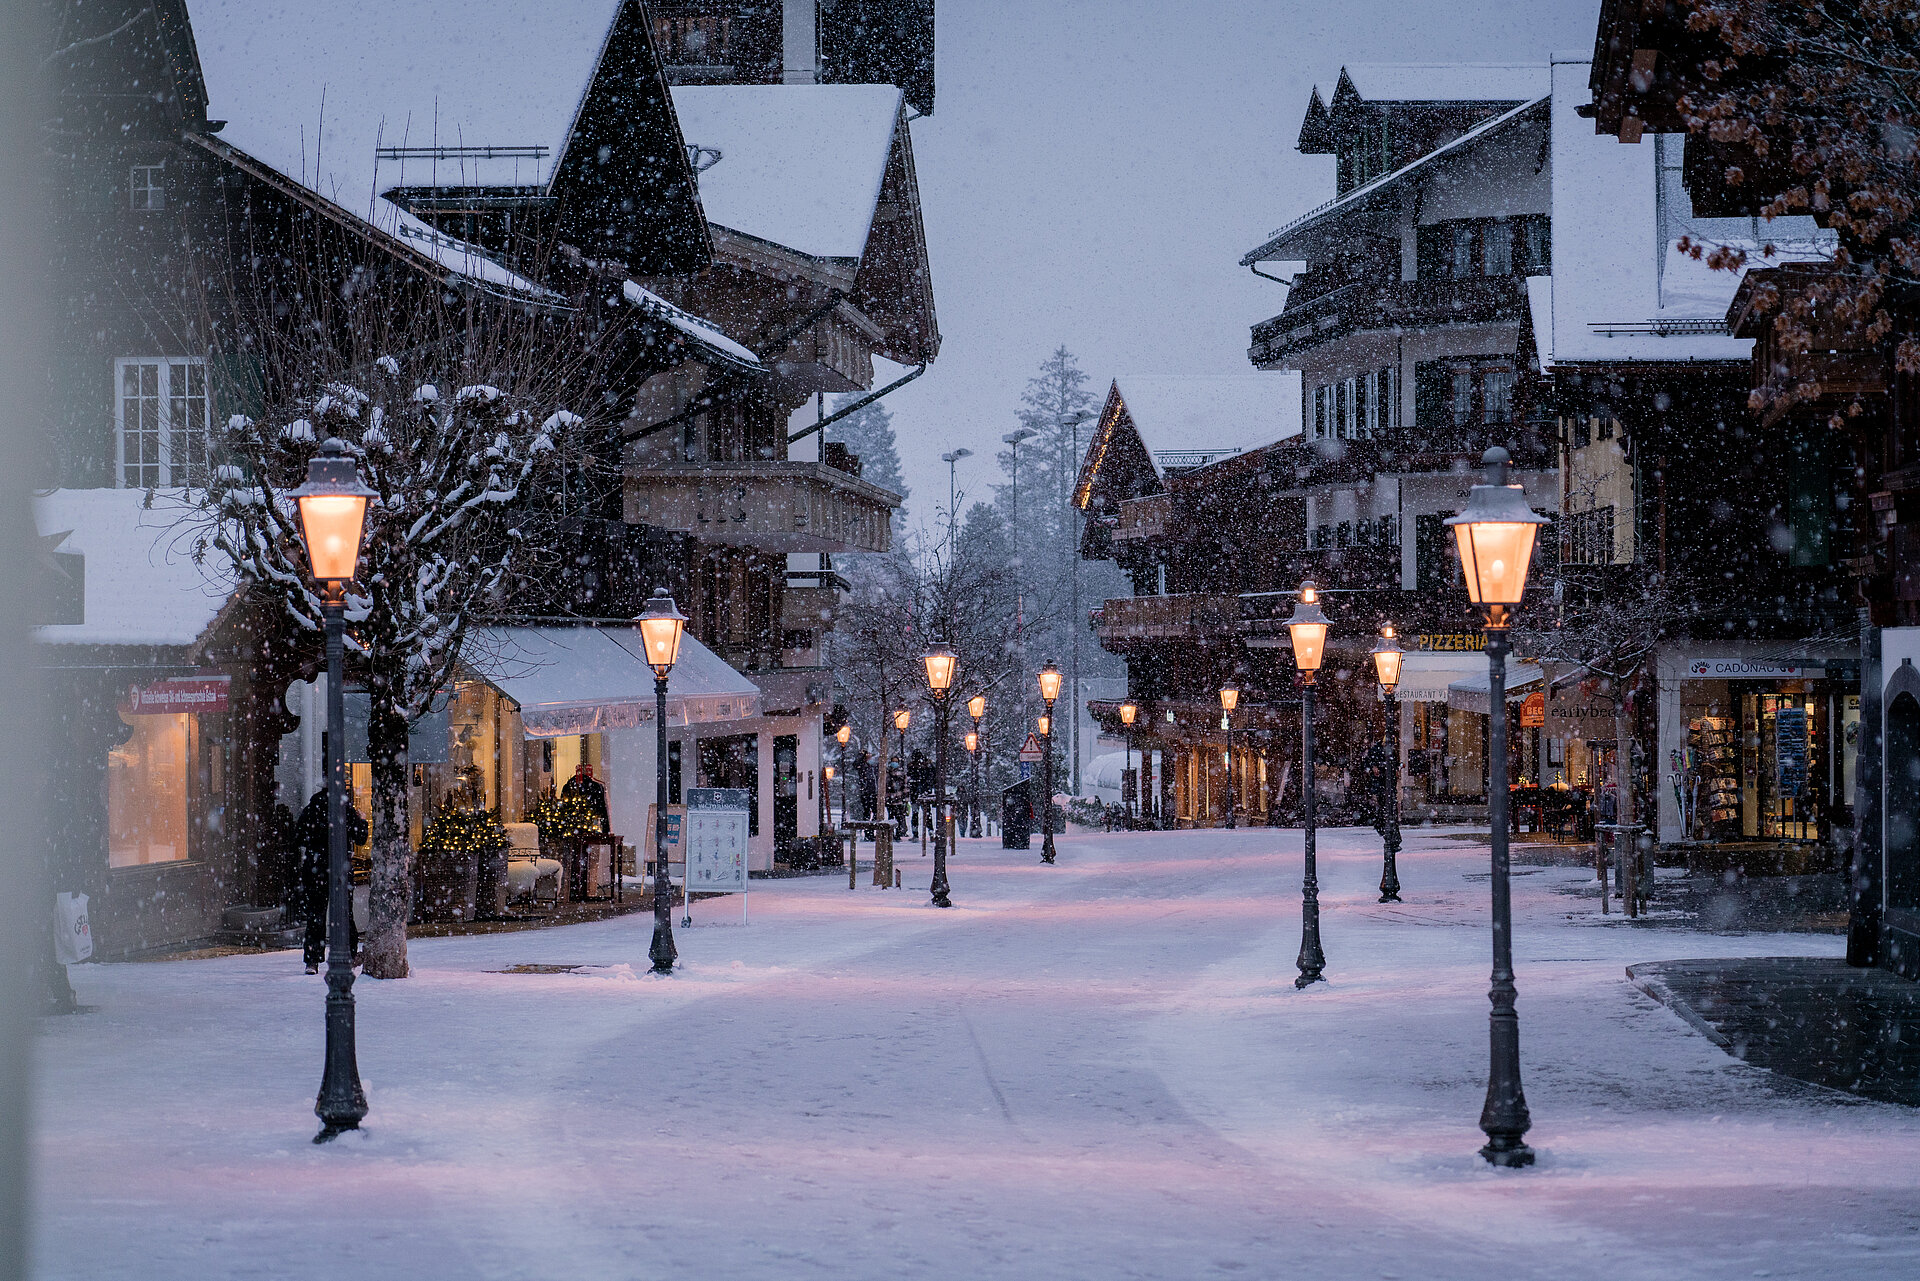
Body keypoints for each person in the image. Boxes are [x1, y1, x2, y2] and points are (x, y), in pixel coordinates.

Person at [296, 787, 369, 974]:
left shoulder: (312, 808)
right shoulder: (345, 809)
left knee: (316, 915)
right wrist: (362, 821)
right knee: (345, 914)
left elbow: (299, 837)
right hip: (339, 868)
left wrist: (317, 845)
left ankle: (312, 961)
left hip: (316, 868)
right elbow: (360, 838)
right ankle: (349, 954)